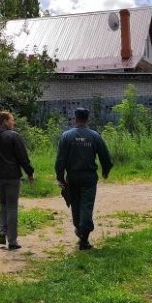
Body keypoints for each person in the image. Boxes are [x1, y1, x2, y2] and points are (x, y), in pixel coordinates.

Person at [55, 107, 113, 250]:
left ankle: (80, 231)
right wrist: (105, 170)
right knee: (86, 205)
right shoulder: (94, 136)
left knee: (75, 204)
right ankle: (84, 237)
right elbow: (105, 156)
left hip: (73, 177)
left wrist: (60, 177)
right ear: (88, 119)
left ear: (75, 118)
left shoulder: (66, 136)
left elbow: (60, 160)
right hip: (89, 177)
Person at [0, 111, 35, 250]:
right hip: (12, 176)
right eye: (12, 120)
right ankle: (12, 241)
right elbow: (23, 157)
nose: (13, 122)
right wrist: (30, 173)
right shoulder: (13, 136)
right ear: (5, 121)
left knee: (3, 203)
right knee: (12, 206)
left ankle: (2, 232)